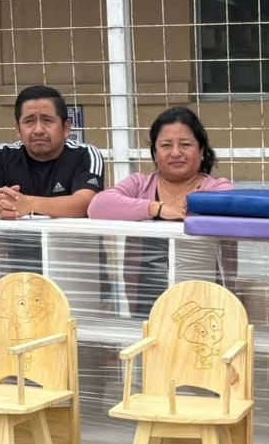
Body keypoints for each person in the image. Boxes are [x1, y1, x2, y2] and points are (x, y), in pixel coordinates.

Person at [88, 107, 236, 313]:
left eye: (185, 144)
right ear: (155, 153)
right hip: (145, 300)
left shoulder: (216, 188)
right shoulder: (139, 185)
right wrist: (155, 208)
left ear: (201, 151)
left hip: (206, 301)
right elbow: (97, 205)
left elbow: (230, 206)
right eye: (166, 145)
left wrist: (200, 204)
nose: (175, 153)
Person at [0, 85, 105, 219]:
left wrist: (29, 204)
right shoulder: (2, 155)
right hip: (15, 235)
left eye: (47, 120)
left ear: (66, 128)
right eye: (29, 121)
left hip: (68, 235)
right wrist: (4, 207)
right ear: (18, 129)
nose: (38, 130)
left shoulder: (85, 154)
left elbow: (86, 203)